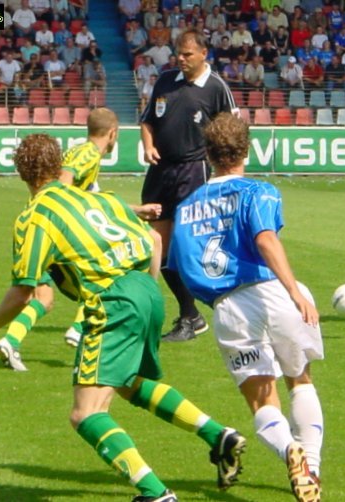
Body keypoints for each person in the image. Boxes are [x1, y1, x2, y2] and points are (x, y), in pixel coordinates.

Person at [0, 132, 246, 502]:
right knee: (129, 383)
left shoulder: (35, 217)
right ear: (58, 163)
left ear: (21, 173)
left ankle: (155, 493)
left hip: (111, 301)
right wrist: (145, 293)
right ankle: (217, 435)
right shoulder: (99, 199)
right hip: (145, 289)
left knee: (86, 414)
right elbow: (154, 241)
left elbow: (23, 290)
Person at [168, 112, 324, 502]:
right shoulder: (260, 191)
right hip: (274, 291)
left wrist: (213, 299)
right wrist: (296, 292)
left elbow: (181, 266)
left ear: (207, 153)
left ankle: (290, 450)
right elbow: (267, 239)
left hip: (229, 306)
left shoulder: (186, 207)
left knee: (261, 400)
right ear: (247, 149)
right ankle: (312, 468)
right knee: (299, 379)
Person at [0, 109, 162, 371]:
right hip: (54, 231)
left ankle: (10, 340)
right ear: (114, 133)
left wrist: (136, 210)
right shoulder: (88, 153)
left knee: (44, 297)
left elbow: (89, 200)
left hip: (46, 229)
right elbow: (66, 185)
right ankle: (80, 328)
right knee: (113, 265)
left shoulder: (83, 152)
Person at [140, 28, 238, 342]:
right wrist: (148, 144)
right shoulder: (165, 81)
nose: (180, 59)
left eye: (187, 55)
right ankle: (189, 316)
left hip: (193, 171)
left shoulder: (216, 87)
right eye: (178, 54)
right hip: (159, 171)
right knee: (157, 247)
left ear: (203, 54)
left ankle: (204, 313)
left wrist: (231, 176)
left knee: (185, 247)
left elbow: (233, 133)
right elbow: (147, 120)